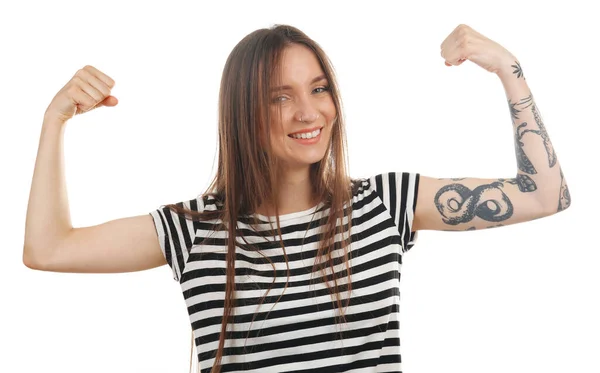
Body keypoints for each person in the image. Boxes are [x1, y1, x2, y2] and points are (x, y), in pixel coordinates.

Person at [23, 23, 571, 373]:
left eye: (318, 89)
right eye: (279, 97)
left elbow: (545, 195)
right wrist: (55, 121)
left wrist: (508, 68)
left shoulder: (386, 203)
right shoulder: (192, 230)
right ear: (242, 114)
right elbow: (47, 249)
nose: (309, 113)